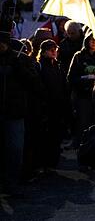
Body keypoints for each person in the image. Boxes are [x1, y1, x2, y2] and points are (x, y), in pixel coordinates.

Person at [0, 29, 41, 197]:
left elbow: (34, 82)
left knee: (15, 149)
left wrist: (18, 68)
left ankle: (11, 183)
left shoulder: (20, 59)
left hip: (14, 112)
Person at [67, 30, 95, 151]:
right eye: (91, 40)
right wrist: (86, 78)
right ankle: (80, 147)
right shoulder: (79, 56)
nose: (94, 42)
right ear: (87, 41)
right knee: (82, 123)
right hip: (82, 95)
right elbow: (71, 77)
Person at [37, 39, 69, 171]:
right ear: (43, 52)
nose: (54, 52)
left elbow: (63, 85)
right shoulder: (39, 66)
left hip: (58, 106)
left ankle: (52, 162)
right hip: (46, 106)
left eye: (55, 49)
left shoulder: (58, 66)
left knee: (56, 135)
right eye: (51, 50)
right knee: (46, 136)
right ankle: (45, 162)